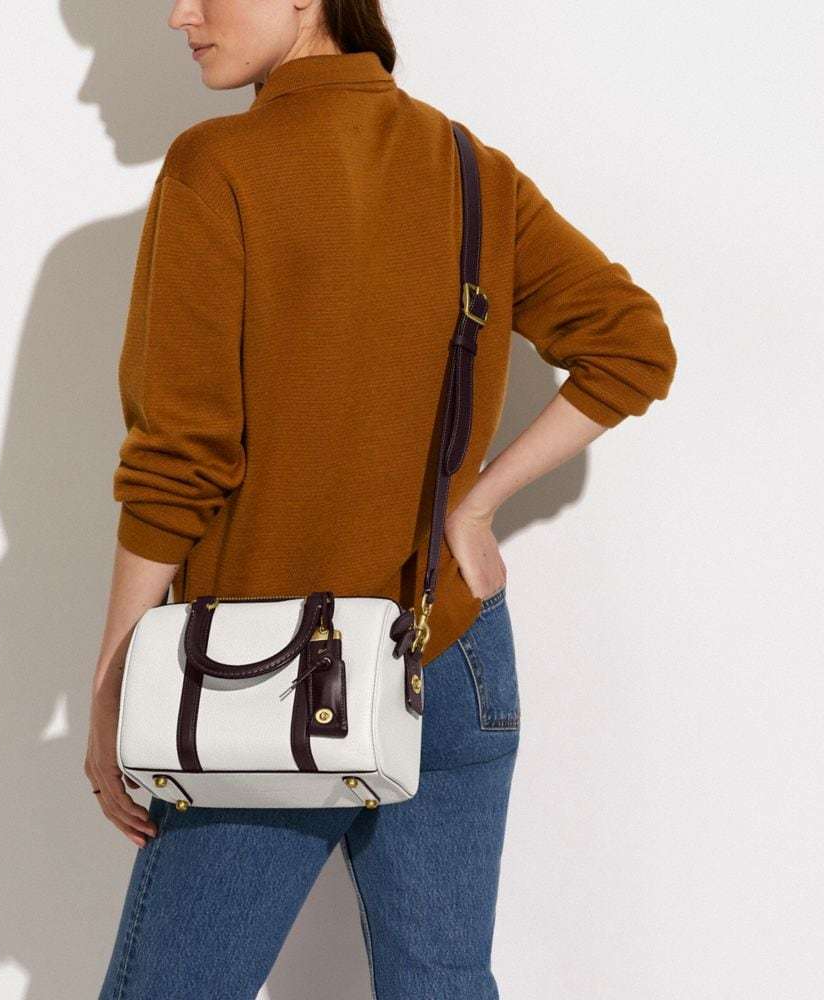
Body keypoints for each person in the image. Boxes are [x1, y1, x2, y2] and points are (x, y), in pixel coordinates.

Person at [85, 2, 677, 997]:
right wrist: (472, 508)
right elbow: (633, 344)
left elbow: (180, 457)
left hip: (265, 676)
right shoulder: (470, 171)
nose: (180, 14)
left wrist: (114, 680)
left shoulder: (215, 168)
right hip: (449, 652)